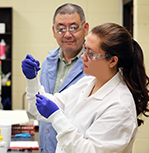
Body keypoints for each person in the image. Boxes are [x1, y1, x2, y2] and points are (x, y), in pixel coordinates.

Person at [21, 23, 149, 153]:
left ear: (112, 61)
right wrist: (32, 80)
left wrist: (56, 117)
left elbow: (89, 150)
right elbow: (39, 109)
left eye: (91, 53)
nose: (83, 56)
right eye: (85, 49)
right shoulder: (86, 84)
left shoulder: (120, 105)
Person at [22, 3, 89, 153]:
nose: (67, 34)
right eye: (61, 28)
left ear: (85, 28)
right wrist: (31, 80)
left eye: (73, 27)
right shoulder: (48, 62)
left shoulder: (93, 65)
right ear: (53, 31)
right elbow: (38, 106)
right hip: (47, 146)